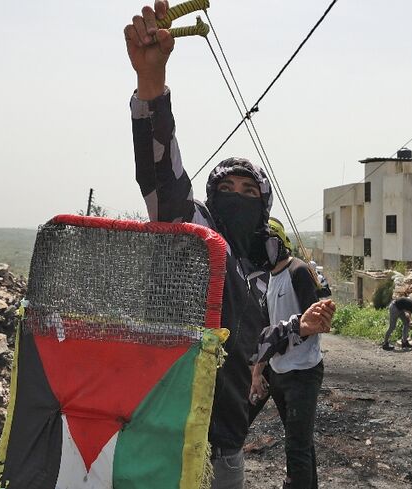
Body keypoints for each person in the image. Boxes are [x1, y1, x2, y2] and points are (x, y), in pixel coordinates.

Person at [124, 5, 335, 487]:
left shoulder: (252, 273)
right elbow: (161, 176)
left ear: (263, 208)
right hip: (171, 431)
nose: (236, 199)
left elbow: (249, 346)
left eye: (249, 192)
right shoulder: (197, 233)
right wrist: (152, 83)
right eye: (227, 189)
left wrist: (296, 326)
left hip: (226, 445)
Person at [250, 218, 325, 489]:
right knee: (300, 443)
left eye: (269, 242)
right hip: (280, 372)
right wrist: (258, 372)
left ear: (281, 243)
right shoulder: (268, 279)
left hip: (303, 371)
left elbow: (316, 325)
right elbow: (265, 333)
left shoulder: (299, 271)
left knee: (297, 448)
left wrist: (288, 333)